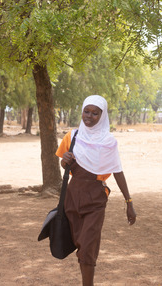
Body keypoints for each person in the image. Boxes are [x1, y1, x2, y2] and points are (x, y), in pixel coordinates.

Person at [56, 95, 137, 286]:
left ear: (103, 115)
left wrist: (129, 202)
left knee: (88, 247)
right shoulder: (73, 136)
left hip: (96, 199)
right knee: (78, 242)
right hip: (73, 196)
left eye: (95, 113)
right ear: (81, 111)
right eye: (86, 111)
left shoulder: (108, 142)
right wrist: (65, 160)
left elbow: (117, 171)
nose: (89, 116)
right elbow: (63, 163)